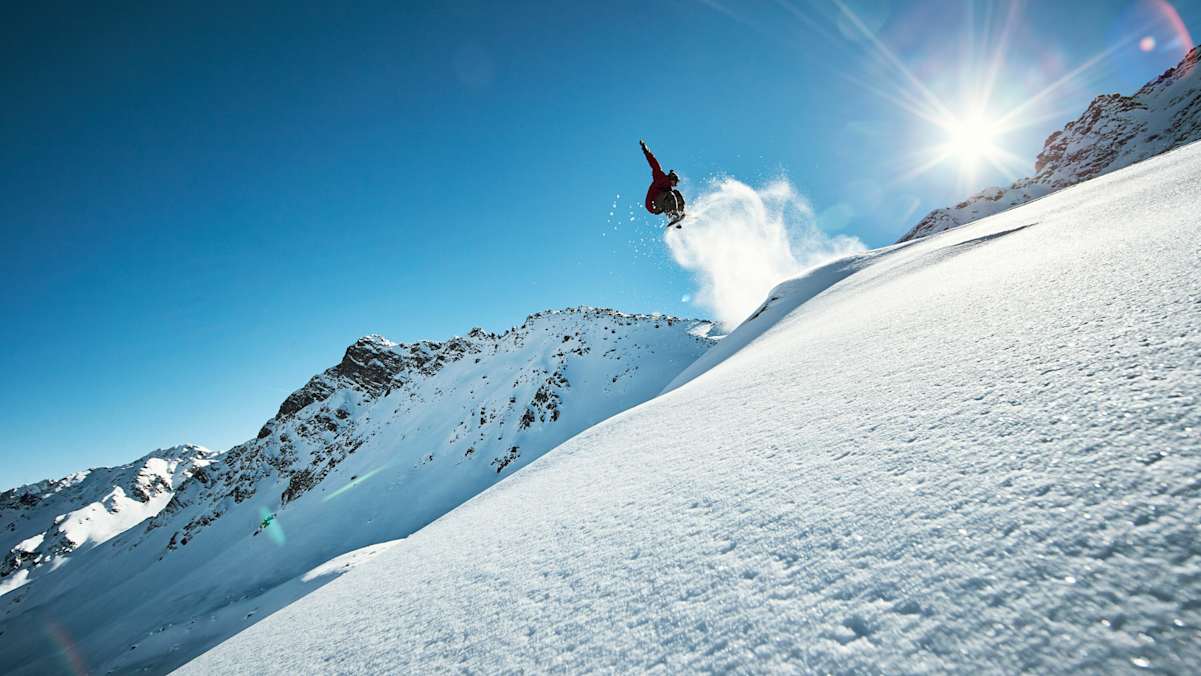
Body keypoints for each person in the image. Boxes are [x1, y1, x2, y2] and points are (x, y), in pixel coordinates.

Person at [640, 140, 685, 222]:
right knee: (670, 195)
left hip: (661, 203)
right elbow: (653, 161)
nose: (675, 184)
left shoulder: (668, 188)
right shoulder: (660, 175)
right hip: (652, 204)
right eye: (675, 182)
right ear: (672, 178)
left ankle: (680, 212)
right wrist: (645, 149)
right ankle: (673, 215)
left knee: (676, 193)